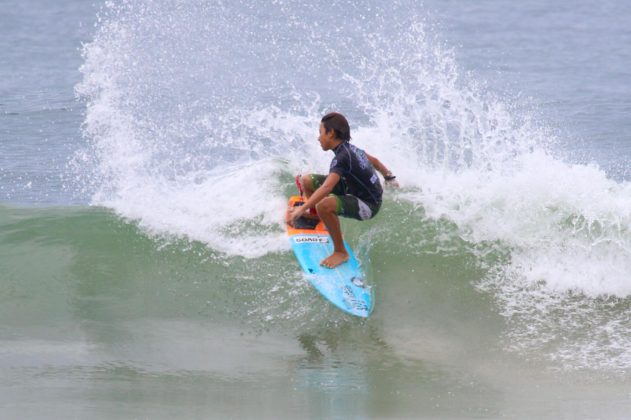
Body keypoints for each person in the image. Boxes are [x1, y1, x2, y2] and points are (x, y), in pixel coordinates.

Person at [286, 112, 398, 268]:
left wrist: (301, 209)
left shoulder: (342, 158)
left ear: (331, 133)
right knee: (307, 181)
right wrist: (389, 178)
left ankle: (340, 252)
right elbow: (376, 162)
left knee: (324, 205)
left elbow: (327, 187)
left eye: (321, 133)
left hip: (369, 204)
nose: (318, 138)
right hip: (352, 187)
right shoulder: (352, 149)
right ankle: (316, 216)